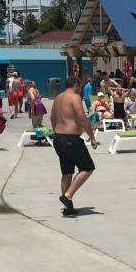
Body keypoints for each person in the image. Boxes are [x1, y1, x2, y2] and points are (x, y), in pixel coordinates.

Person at [50, 75, 97, 217]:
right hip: (71, 138)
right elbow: (83, 118)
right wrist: (92, 137)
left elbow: (52, 118)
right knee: (88, 168)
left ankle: (67, 207)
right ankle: (68, 196)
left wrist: (58, 132)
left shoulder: (58, 98)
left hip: (58, 138)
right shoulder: (74, 97)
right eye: (80, 86)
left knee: (67, 172)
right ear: (76, 85)